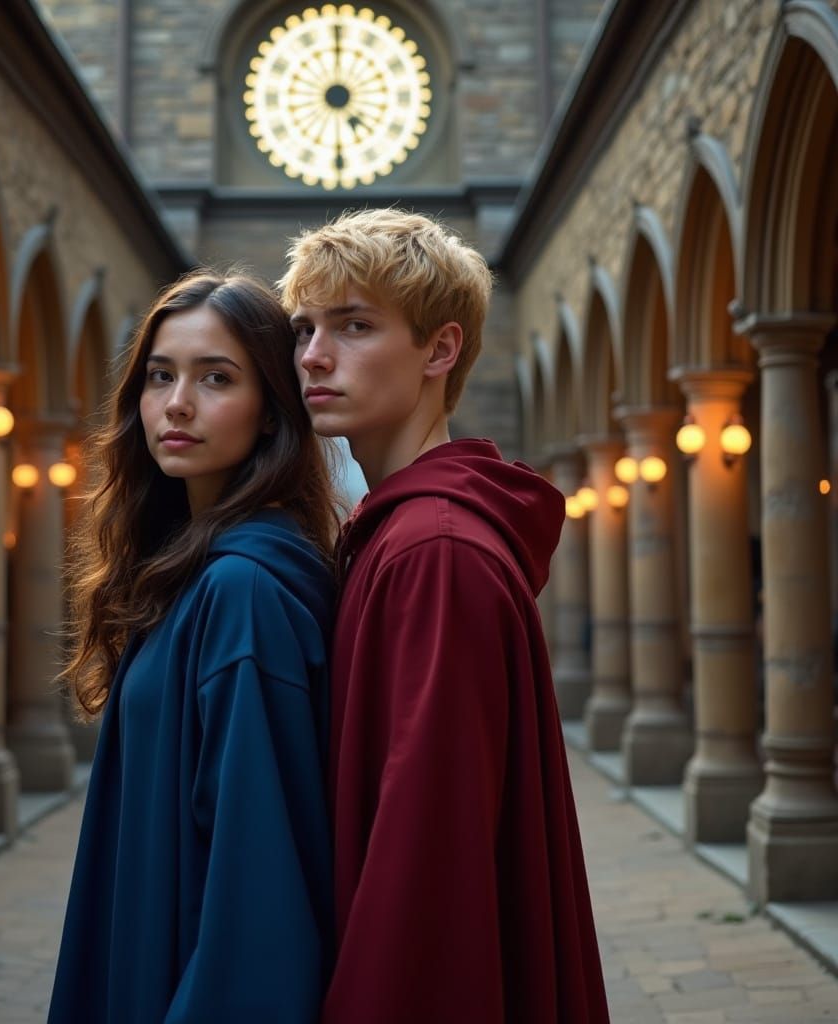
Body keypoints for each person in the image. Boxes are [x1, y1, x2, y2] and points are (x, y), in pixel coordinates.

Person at [280, 209, 610, 1023]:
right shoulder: (399, 532)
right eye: (304, 329)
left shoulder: (436, 552)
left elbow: (428, 861)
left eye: (354, 326)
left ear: (440, 349)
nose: (313, 355)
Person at [48, 270, 339, 1024]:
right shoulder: (185, 572)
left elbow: (258, 881)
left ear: (272, 411)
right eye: (160, 376)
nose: (177, 403)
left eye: (216, 378)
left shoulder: (243, 592)